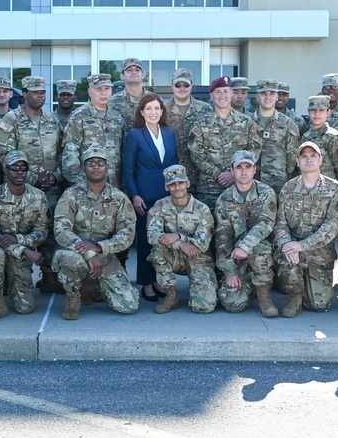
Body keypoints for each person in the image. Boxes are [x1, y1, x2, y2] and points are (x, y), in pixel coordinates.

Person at [52, 148, 140, 320]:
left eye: (100, 163)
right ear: (84, 168)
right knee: (71, 261)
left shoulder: (119, 198)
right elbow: (61, 230)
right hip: (75, 250)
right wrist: (89, 253)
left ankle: (92, 286)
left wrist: (100, 247)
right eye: (91, 163)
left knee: (129, 305)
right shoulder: (71, 195)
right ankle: (73, 299)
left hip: (103, 253)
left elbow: (127, 233)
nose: (96, 167)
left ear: (108, 167)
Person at [0, 75, 63, 293]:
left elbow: (63, 152)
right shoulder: (10, 121)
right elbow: (4, 155)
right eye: (35, 92)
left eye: (42, 92)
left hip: (51, 188)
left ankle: (50, 275)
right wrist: (32, 178)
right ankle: (8, 278)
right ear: (24, 94)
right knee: (18, 231)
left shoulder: (53, 121)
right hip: (22, 189)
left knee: (49, 232)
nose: (39, 96)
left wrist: (57, 175)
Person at [273, 142, 338, 317]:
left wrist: (302, 245)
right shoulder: (288, 189)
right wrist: (287, 244)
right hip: (293, 253)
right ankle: (295, 296)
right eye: (304, 157)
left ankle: (306, 287)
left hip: (319, 253)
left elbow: (333, 225)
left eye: (313, 156)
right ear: (297, 162)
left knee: (319, 305)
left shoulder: (335, 188)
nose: (308, 160)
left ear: (320, 160)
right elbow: (280, 223)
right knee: (287, 260)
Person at [0, 151, 52, 322]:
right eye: (14, 168)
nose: (19, 172)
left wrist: (18, 240)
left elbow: (42, 231)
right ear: (5, 170)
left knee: (25, 308)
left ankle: (6, 282)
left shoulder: (38, 197)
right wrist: (25, 250)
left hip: (19, 254)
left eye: (23, 168)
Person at [123, 92, 179, 301]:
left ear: (162, 111)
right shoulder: (135, 135)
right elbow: (128, 169)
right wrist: (135, 195)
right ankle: (146, 283)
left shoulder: (169, 132)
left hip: (167, 196)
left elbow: (175, 164)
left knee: (162, 241)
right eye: (149, 109)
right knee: (146, 241)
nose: (153, 112)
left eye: (157, 108)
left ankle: (158, 279)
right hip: (145, 197)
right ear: (141, 112)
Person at [214, 151, 278, 317]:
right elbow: (222, 238)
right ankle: (249, 284)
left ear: (254, 169)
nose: (244, 171)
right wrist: (230, 271)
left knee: (261, 249)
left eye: (248, 167)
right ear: (232, 171)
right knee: (232, 304)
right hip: (236, 257)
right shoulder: (224, 200)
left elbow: (266, 223)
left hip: (260, 252)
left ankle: (264, 296)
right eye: (239, 167)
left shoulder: (266, 193)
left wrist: (245, 245)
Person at [147, 164, 217, 314]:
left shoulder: (202, 209)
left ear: (188, 183)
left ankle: (203, 285)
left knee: (204, 307)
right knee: (157, 251)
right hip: (174, 256)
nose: (177, 187)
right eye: (172, 184)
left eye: (180, 183)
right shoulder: (160, 206)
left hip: (198, 258)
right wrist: (179, 243)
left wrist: (178, 236)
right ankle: (172, 296)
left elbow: (202, 244)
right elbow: (152, 236)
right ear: (167, 187)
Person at [188, 76, 262, 210]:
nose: (222, 96)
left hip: (239, 187)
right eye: (218, 92)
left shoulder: (247, 122)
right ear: (211, 95)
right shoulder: (201, 123)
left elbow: (255, 150)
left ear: (231, 93)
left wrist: (234, 174)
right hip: (209, 190)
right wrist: (218, 174)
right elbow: (196, 154)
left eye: (226, 91)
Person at [60, 73, 127, 188]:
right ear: (90, 92)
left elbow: (124, 152)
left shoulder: (117, 117)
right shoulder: (79, 117)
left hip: (115, 187)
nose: (104, 93)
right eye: (99, 89)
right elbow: (70, 155)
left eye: (107, 89)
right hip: (87, 187)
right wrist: (81, 184)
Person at [164, 68, 211, 193]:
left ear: (192, 85)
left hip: (199, 174)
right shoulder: (162, 110)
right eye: (178, 85)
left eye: (186, 85)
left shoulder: (205, 109)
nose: (182, 88)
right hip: (171, 175)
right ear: (171, 86)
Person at [251, 78, 300, 194]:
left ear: (277, 97)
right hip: (251, 184)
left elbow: (292, 156)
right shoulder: (247, 123)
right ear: (257, 96)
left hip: (279, 185)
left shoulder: (288, 124)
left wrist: (285, 176)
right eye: (263, 93)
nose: (268, 97)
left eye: (272, 93)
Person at [300, 95, 338, 182]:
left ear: (328, 112)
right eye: (313, 110)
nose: (317, 114)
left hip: (328, 188)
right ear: (308, 112)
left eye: (321, 110)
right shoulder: (305, 136)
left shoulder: (333, 136)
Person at [111, 57, 146, 132]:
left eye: (137, 70)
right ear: (122, 76)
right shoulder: (111, 102)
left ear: (142, 75)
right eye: (129, 70)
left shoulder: (153, 100)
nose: (134, 72)